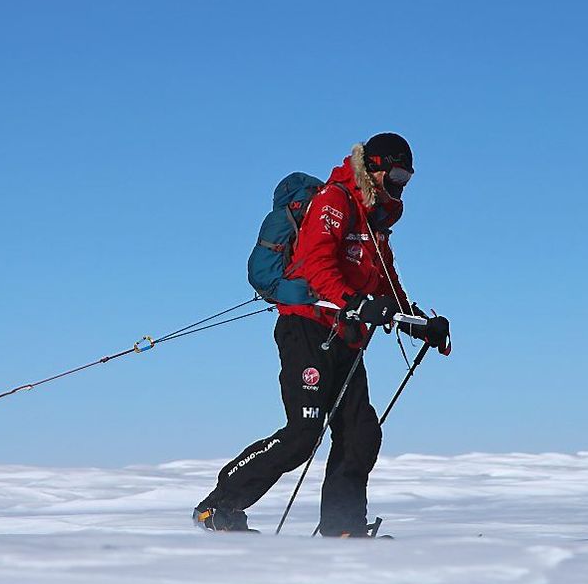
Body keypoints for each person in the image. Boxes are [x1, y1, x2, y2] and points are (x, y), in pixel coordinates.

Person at [193, 133, 451, 536]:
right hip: (308, 328)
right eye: (396, 175)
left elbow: (386, 282)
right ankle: (217, 507)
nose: (401, 186)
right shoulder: (336, 200)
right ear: (375, 167)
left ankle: (342, 529)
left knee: (360, 432)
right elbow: (317, 265)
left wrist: (420, 323)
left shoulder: (374, 221)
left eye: (407, 178)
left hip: (346, 337)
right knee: (303, 432)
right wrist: (354, 301)